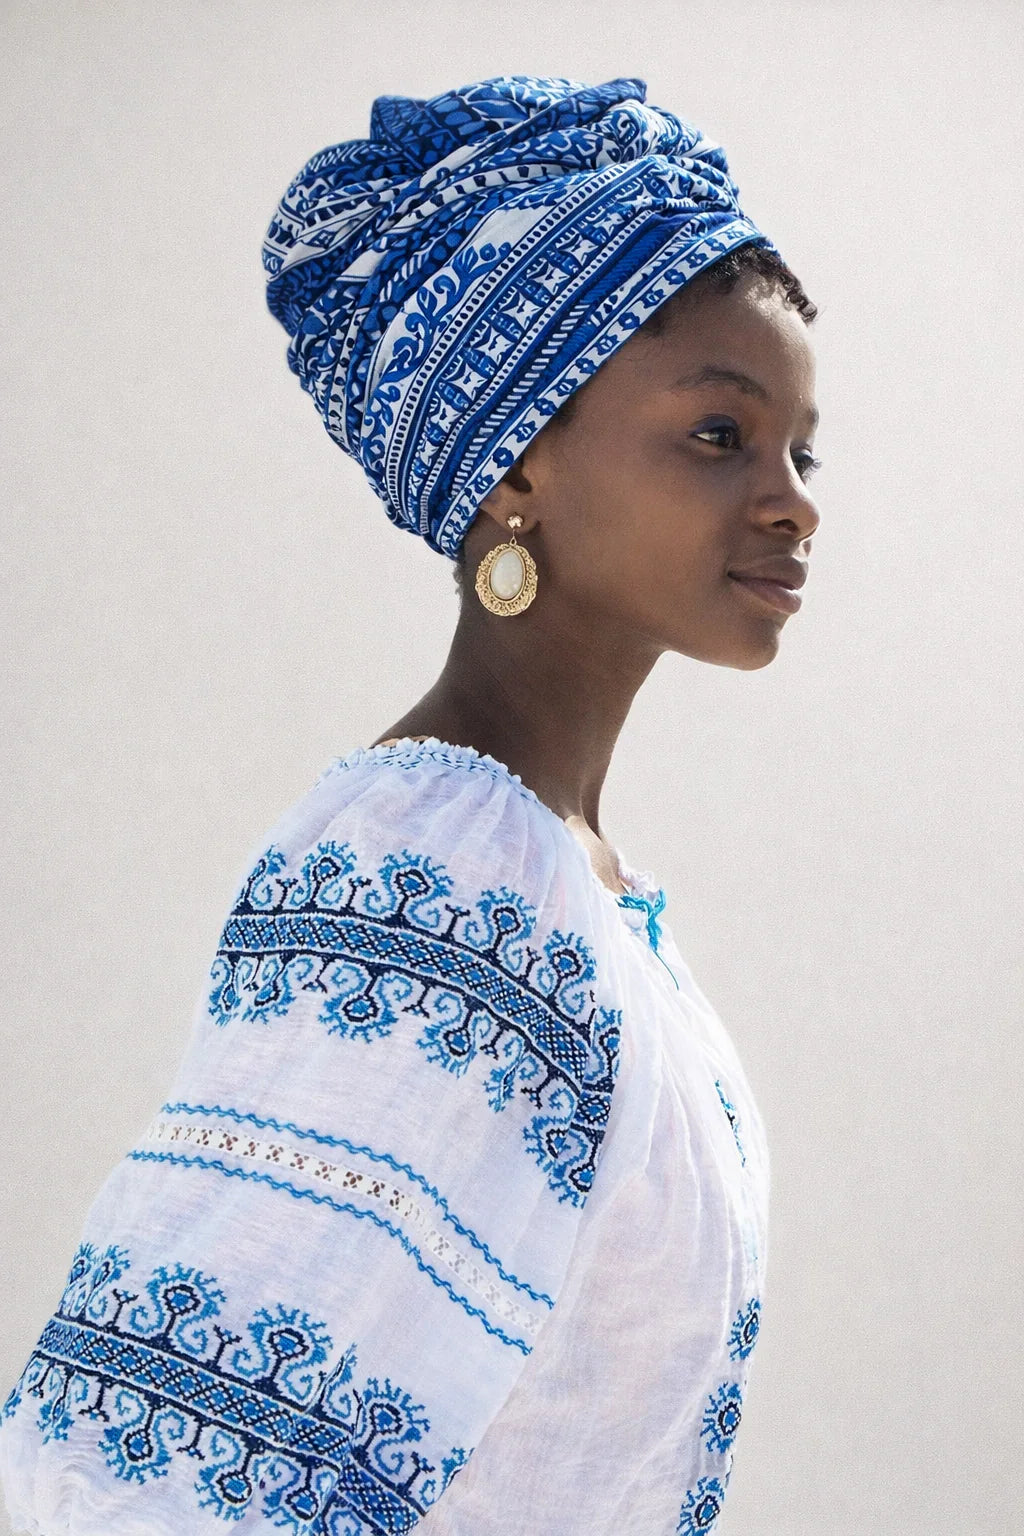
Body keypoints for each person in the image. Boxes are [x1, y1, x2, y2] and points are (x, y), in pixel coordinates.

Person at [0, 74, 820, 1535]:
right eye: (720, 434)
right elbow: (158, 1465)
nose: (793, 499)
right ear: (519, 462)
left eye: (803, 451)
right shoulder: (437, 879)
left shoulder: (563, 882)